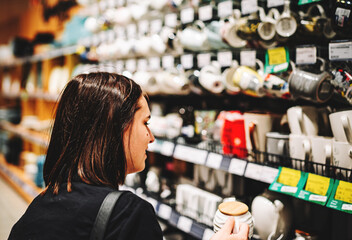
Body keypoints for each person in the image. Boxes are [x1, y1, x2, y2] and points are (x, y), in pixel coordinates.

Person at [8, 71, 249, 240]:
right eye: (145, 123)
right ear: (116, 128)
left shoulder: (41, 204)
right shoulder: (127, 214)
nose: (151, 137)